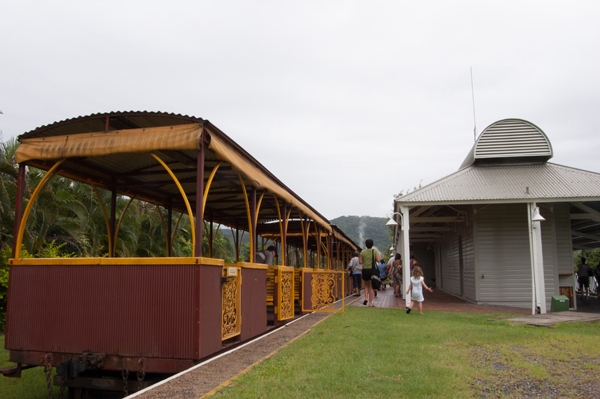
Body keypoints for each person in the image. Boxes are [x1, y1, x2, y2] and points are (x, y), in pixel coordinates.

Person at [359, 238, 380, 307]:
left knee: (366, 285)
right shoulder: (375, 251)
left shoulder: (362, 252)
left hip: (365, 270)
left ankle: (365, 298)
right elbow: (378, 260)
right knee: (371, 286)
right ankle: (370, 303)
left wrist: (365, 262)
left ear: (366, 245)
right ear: (372, 244)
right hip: (372, 270)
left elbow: (360, 262)